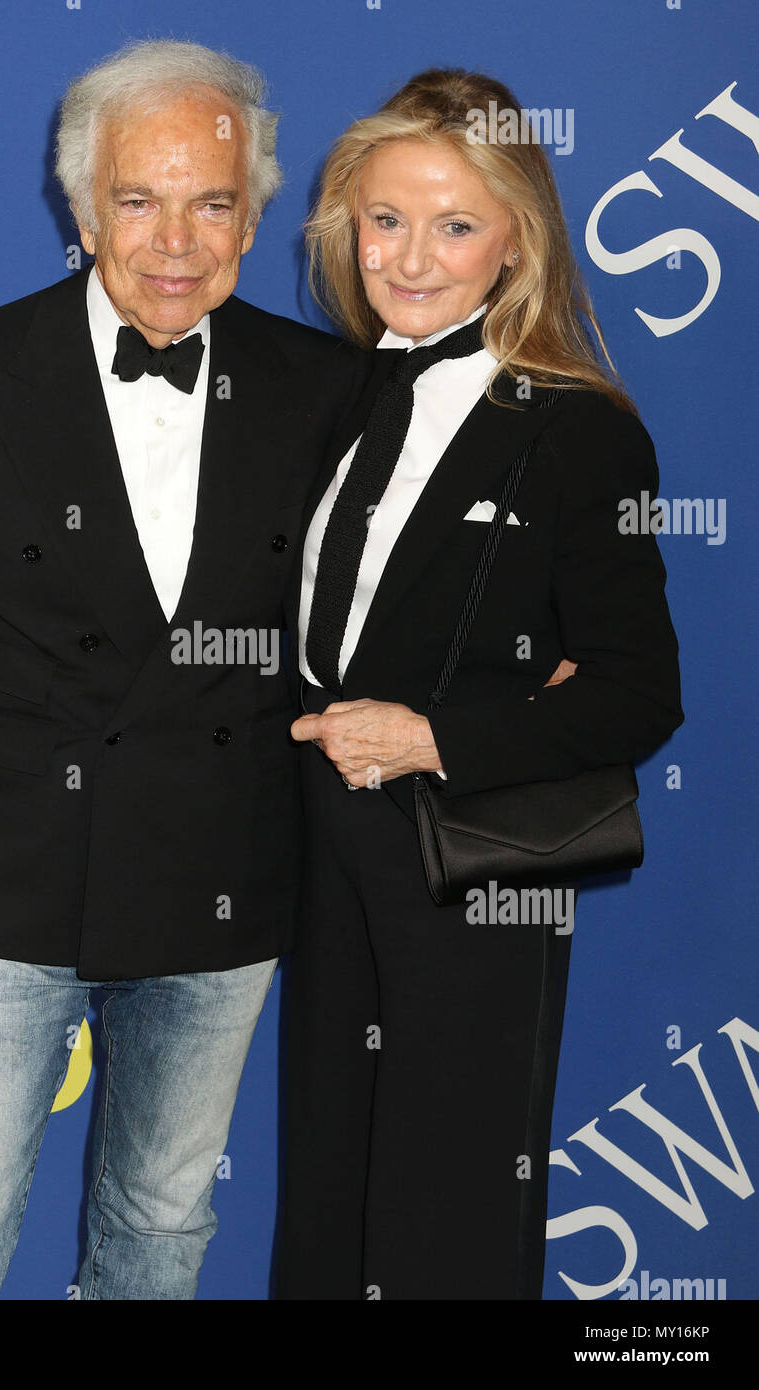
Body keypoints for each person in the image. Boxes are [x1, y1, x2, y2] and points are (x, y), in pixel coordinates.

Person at [0, 38, 366, 1300]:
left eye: (213, 203)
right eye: (139, 199)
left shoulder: (328, 390)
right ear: (81, 210)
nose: (175, 240)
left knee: (159, 1224)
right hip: (4, 894)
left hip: (222, 890)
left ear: (256, 215)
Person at [275, 68, 683, 1300]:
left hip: (471, 862)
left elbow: (635, 690)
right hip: (318, 848)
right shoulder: (329, 393)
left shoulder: (576, 429)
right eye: (384, 219)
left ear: (516, 244)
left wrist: (434, 736)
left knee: (444, 1216)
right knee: (325, 1195)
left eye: (454, 226)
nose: (407, 259)